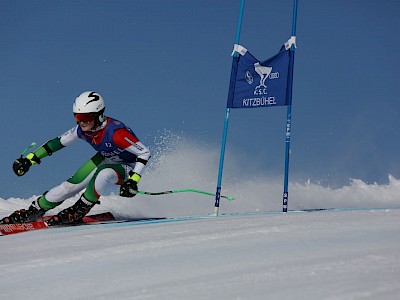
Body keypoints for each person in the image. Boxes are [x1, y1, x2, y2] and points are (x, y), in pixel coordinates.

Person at [0, 91, 151, 226]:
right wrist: (30, 159)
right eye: (78, 117)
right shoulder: (82, 129)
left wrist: (133, 180)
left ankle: (79, 210)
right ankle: (34, 211)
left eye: (85, 117)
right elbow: (57, 143)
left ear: (98, 115)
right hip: (107, 158)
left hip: (128, 166)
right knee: (70, 186)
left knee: (104, 173)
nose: (81, 122)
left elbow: (144, 153)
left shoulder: (116, 133)